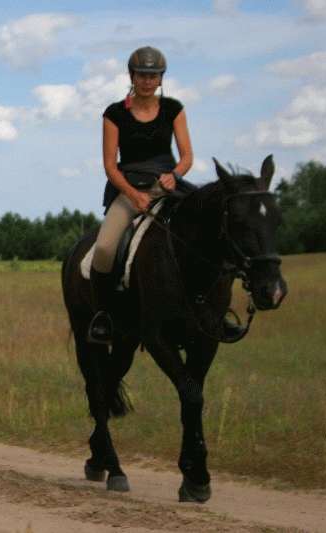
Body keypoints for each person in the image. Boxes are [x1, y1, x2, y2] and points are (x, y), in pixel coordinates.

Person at [89, 46, 193, 344]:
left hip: (168, 186)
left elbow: (186, 156)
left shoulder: (174, 109)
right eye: (142, 75)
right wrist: (134, 195)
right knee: (106, 248)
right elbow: (110, 166)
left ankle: (213, 309)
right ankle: (103, 315)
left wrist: (175, 176)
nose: (148, 80)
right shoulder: (114, 113)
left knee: (206, 225)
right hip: (129, 188)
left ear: (161, 78)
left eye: (153, 75)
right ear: (132, 76)